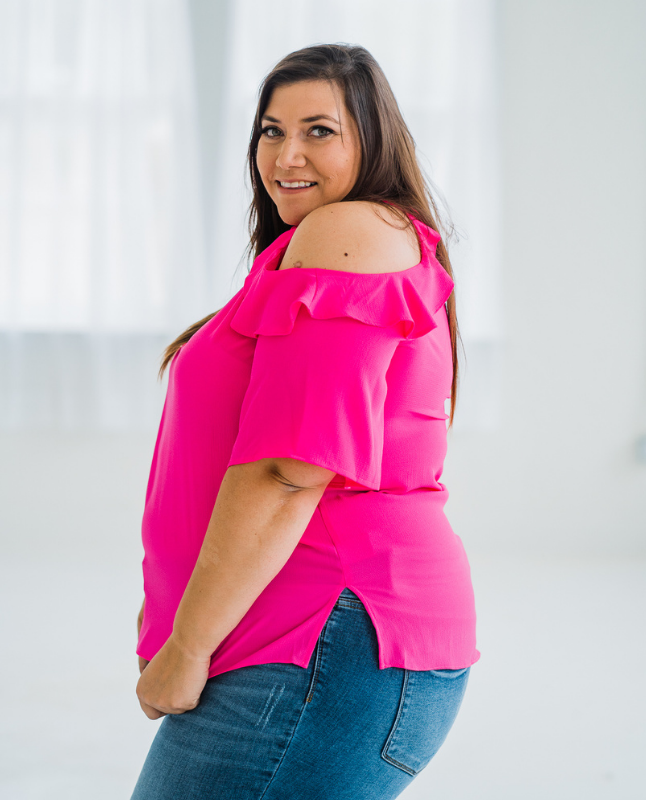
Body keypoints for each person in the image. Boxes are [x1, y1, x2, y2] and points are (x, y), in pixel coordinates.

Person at [130, 43, 480, 800]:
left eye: (319, 130)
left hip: (326, 637)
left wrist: (187, 647)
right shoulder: (303, 249)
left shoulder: (349, 234)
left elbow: (292, 472)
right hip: (304, 637)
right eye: (269, 129)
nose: (285, 153)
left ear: (372, 140)